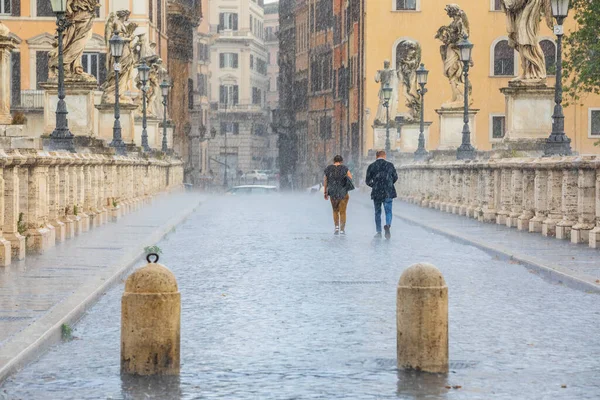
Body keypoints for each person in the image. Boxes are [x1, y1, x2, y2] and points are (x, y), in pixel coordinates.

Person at [366, 150, 398, 239]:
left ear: (376, 156)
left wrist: (375, 185)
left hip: (377, 192)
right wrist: (389, 184)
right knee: (388, 211)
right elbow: (395, 177)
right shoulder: (390, 165)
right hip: (388, 191)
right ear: (384, 156)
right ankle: (388, 225)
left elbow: (367, 181)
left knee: (377, 212)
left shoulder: (371, 166)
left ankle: (379, 232)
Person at [324, 155, 353, 235]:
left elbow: (325, 180)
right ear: (341, 161)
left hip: (333, 192)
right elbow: (350, 177)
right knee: (342, 211)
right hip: (343, 192)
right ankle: (342, 229)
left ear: (334, 161)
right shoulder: (344, 168)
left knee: (335, 210)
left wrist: (325, 192)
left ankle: (336, 227)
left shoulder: (328, 168)